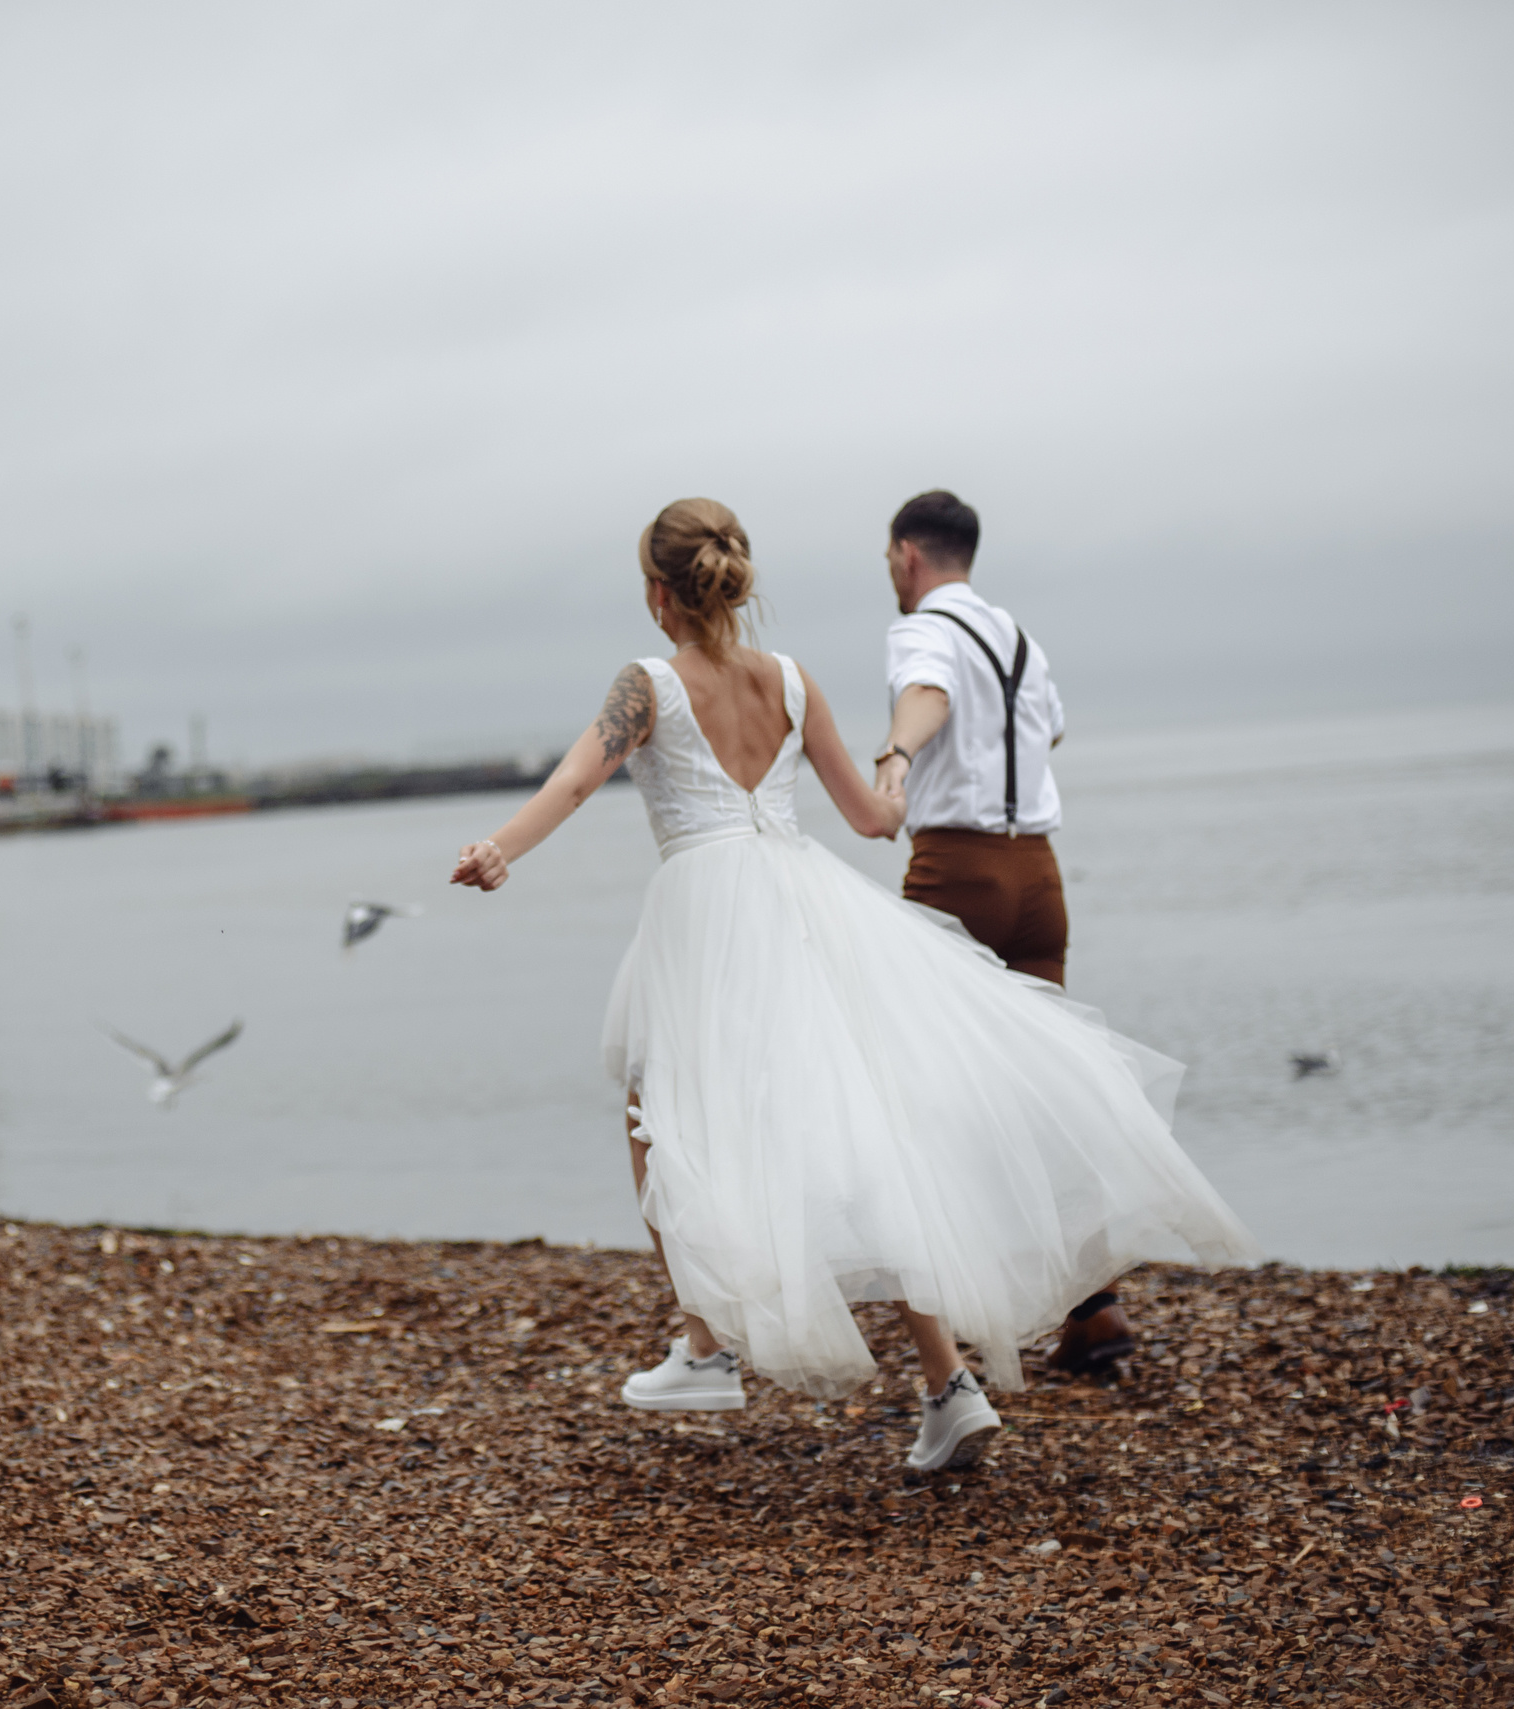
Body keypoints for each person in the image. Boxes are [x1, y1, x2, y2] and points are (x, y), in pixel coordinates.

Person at [451, 497, 1257, 1473]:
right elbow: (874, 820)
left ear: (661, 592)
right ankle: (944, 1381)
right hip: (802, 900)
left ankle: (705, 1343)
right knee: (866, 1129)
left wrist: (500, 848)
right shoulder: (792, 681)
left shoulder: (648, 680)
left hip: (708, 911)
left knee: (654, 1108)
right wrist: (899, 771)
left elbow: (577, 780)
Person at [870, 489, 1131, 1376]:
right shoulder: (1020, 637)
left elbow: (928, 693)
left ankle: (968, 1325)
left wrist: (898, 755)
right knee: (1046, 1086)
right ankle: (1094, 1306)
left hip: (958, 870)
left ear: (908, 555)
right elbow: (1049, 728)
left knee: (932, 1097)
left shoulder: (922, 629)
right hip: (1039, 876)